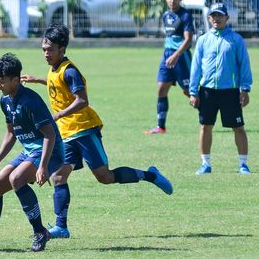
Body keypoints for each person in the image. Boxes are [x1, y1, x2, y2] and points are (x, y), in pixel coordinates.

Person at [21, 24, 173, 238]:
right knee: (59, 177)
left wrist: (58, 115)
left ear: (62, 49)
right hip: (66, 134)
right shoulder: (54, 68)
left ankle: (150, 175)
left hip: (84, 130)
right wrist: (38, 80)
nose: (46, 53)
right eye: (44, 49)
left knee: (105, 177)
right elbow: (57, 85)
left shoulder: (70, 70)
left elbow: (82, 100)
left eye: (50, 49)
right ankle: (61, 227)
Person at [0, 53, 62, 252]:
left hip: (49, 152)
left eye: (2, 81)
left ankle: (40, 232)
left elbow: (50, 135)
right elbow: (11, 133)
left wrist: (43, 167)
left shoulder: (30, 101)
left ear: (16, 80)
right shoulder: (5, 101)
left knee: (16, 179)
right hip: (30, 151)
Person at [189, 3, 253, 175]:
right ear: (209, 18)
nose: (216, 18)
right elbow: (196, 67)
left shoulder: (236, 39)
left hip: (230, 91)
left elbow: (244, 65)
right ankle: (205, 163)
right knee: (205, 126)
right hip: (208, 91)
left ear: (227, 18)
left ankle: (243, 164)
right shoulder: (203, 40)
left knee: (238, 127)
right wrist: (193, 91)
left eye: (220, 15)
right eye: (213, 16)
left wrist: (245, 89)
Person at [145, 0, 194, 134]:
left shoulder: (185, 15)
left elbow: (188, 39)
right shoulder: (165, 15)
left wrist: (176, 54)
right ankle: (161, 126)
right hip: (167, 55)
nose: (172, 1)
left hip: (181, 56)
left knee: (189, 91)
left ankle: (206, 116)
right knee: (161, 89)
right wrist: (169, 54)